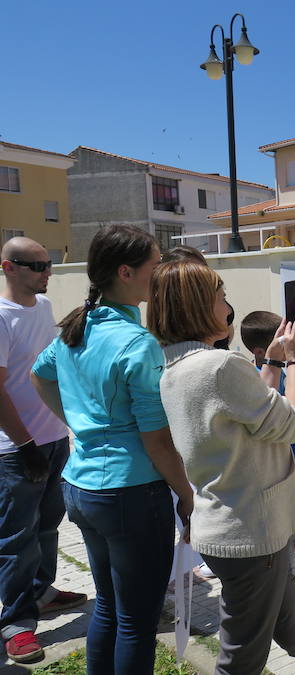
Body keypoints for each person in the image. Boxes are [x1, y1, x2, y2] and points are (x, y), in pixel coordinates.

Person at [30, 225, 193, 674]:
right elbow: (157, 440)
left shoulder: (76, 328)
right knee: (136, 621)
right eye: (154, 264)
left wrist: (80, 425)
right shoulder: (136, 343)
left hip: (82, 486)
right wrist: (188, 494)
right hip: (130, 494)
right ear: (126, 272)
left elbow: (39, 375)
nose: (159, 273)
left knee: (109, 607)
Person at [148, 262, 295, 675]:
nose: (228, 308)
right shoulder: (219, 366)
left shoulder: (174, 365)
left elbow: (252, 412)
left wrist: (274, 363)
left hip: (228, 522)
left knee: (280, 613)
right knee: (241, 655)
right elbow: (291, 423)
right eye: (221, 297)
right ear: (197, 307)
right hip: (251, 532)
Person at [0, 238, 87, 664]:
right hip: (16, 450)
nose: (46, 272)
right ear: (8, 267)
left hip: (53, 439)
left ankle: (42, 591)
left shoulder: (45, 307)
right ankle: (16, 624)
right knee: (16, 537)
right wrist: (26, 444)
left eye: (48, 263)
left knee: (49, 525)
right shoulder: (1, 317)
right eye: (35, 266)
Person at [240, 310, 295, 479]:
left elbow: (290, 400)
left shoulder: (280, 371)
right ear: (260, 352)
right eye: (283, 343)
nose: (289, 346)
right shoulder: (255, 379)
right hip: (278, 468)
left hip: (293, 459)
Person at [160, 246, 234, 350]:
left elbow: (228, 336)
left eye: (203, 269)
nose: (201, 276)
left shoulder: (217, 298)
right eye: (192, 273)